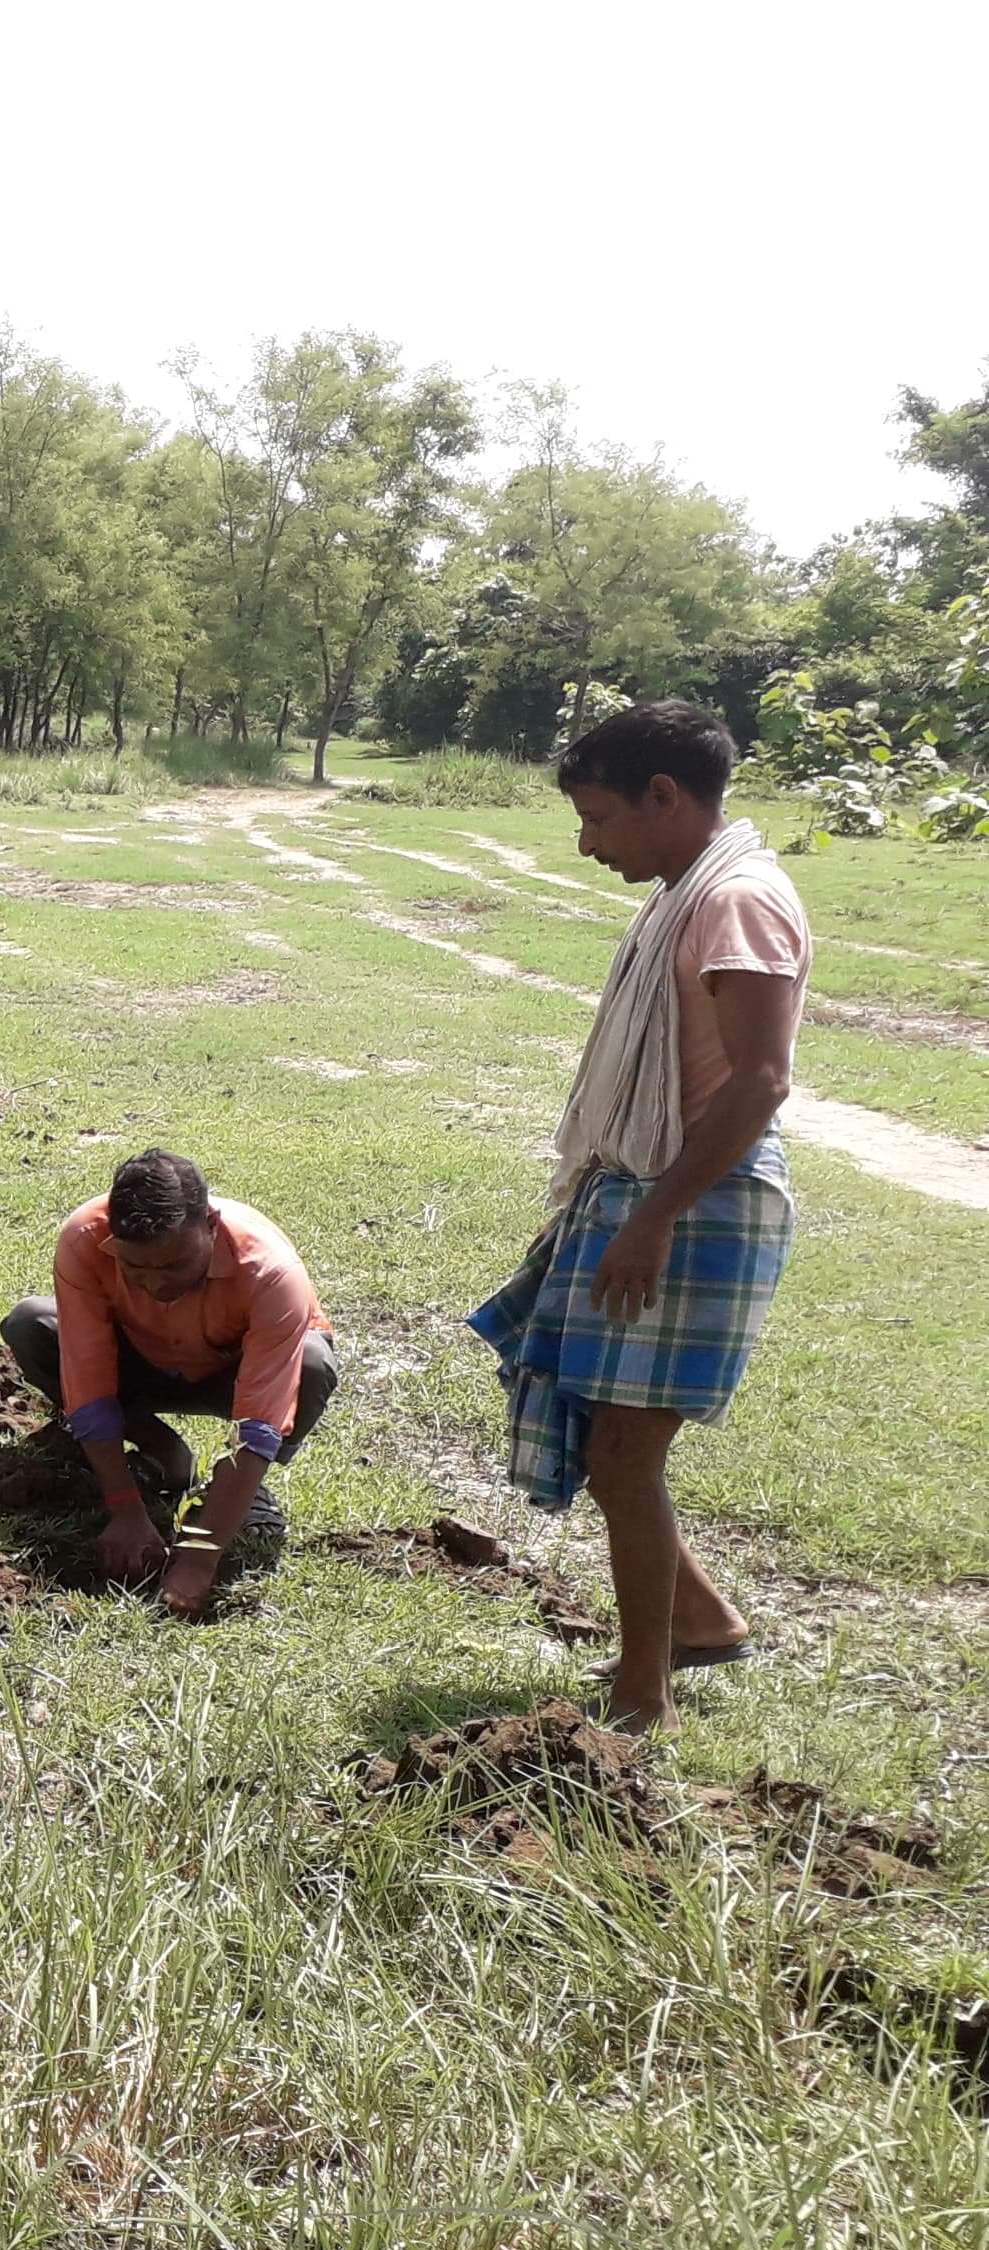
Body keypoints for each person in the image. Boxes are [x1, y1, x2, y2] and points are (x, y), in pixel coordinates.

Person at [470, 701, 806, 1730]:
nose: (586, 841)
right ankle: (697, 1623)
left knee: (625, 1450)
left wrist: (654, 1217)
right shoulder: (688, 894)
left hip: (698, 1200)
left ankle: (643, 1693)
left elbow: (758, 1083)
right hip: (647, 1188)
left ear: (665, 797)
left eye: (598, 816)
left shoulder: (737, 900)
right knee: (596, 1424)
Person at [0, 1149, 340, 1621]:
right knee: (32, 1325)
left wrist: (200, 1558)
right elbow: (88, 1378)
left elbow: (260, 1423)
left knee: (313, 1361)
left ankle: (244, 1493)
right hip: (142, 1361)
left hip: (231, 1374)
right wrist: (123, 1508)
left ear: (211, 1225)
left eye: (175, 1265)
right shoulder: (86, 1238)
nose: (156, 1285)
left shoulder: (270, 1271)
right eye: (136, 1271)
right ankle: (167, 1455)